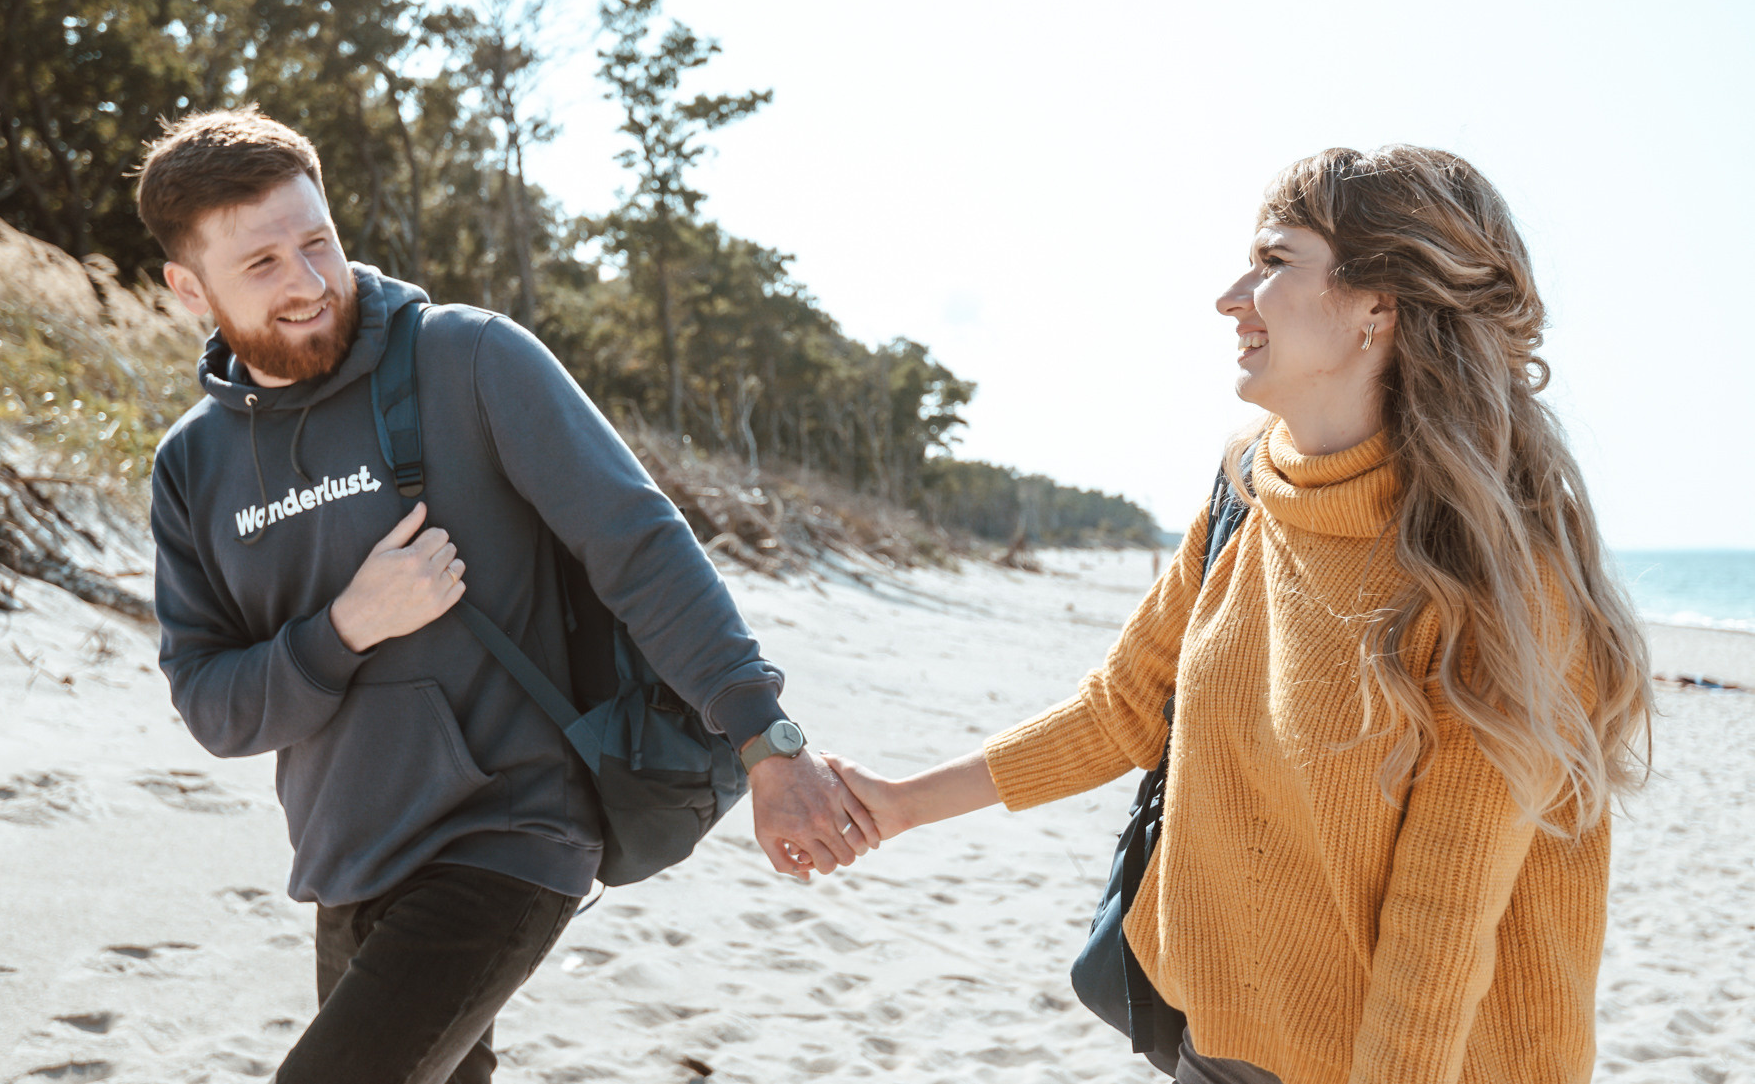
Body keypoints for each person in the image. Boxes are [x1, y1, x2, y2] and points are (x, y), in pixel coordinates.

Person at [828, 146, 1653, 1084]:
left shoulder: (1495, 585)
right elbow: (1123, 709)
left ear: (1376, 308)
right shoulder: (1247, 490)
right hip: (1219, 1048)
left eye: (1273, 261)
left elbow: (1438, 937)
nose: (1231, 296)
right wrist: (899, 805)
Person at [136, 107, 878, 1084]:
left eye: (317, 242)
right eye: (262, 265)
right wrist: (347, 627)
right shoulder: (193, 465)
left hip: (513, 831)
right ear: (188, 287)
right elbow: (212, 706)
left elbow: (641, 549)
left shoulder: (469, 360)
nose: (309, 282)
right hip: (346, 855)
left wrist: (766, 737)